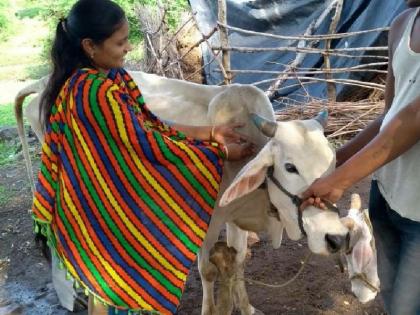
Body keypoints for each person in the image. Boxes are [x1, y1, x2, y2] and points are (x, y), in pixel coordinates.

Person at [32, 0, 255, 314]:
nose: (127, 48)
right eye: (120, 42)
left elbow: (148, 124)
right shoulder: (92, 92)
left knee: (106, 296)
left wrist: (210, 132)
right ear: (89, 46)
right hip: (99, 216)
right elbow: (150, 145)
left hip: (102, 211)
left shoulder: (112, 78)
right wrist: (219, 153)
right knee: (111, 291)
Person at [301, 1, 420, 314]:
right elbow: (390, 116)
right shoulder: (403, 24)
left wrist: (340, 180)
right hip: (388, 196)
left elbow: (415, 117)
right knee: (394, 298)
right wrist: (333, 163)